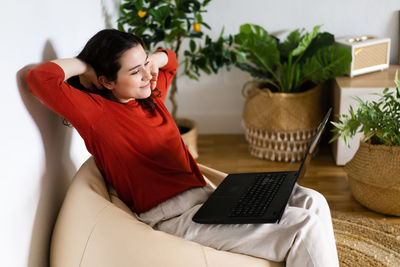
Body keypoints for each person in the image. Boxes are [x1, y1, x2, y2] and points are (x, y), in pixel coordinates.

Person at [25, 29, 339, 267]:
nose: (149, 75)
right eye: (135, 72)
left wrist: (144, 62)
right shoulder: (97, 115)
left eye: (146, 64)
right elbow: (41, 77)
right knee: (304, 227)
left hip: (210, 197)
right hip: (178, 217)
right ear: (106, 81)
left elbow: (170, 58)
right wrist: (86, 65)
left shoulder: (150, 98)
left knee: (313, 200)